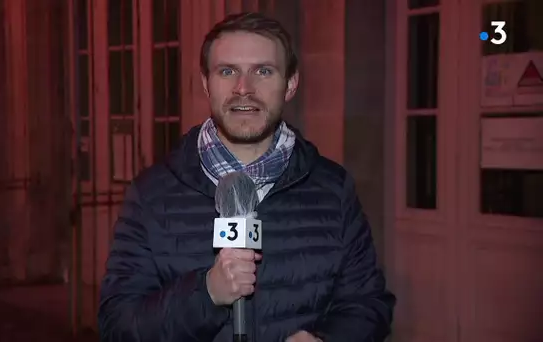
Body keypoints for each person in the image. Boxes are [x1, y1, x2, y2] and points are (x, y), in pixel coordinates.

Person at [98, 12, 396, 342]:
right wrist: (206, 293)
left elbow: (369, 305)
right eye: (228, 71)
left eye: (263, 71)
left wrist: (327, 339)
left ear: (291, 83)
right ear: (205, 82)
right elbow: (118, 327)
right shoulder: (151, 194)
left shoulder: (332, 189)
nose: (244, 88)